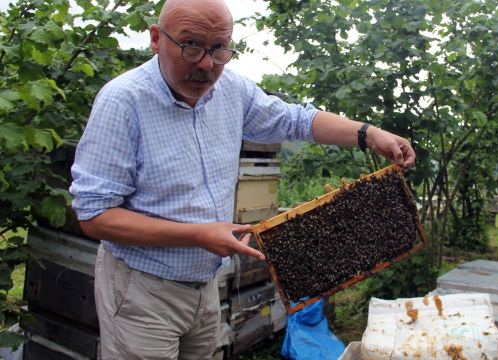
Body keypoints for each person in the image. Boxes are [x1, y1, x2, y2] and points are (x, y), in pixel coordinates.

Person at [69, 0, 415, 358]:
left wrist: (368, 133)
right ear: (157, 39)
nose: (206, 64)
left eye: (220, 49)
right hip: (142, 290)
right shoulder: (122, 102)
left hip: (205, 286)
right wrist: (199, 235)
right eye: (191, 46)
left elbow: (294, 120)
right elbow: (94, 216)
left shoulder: (231, 90)